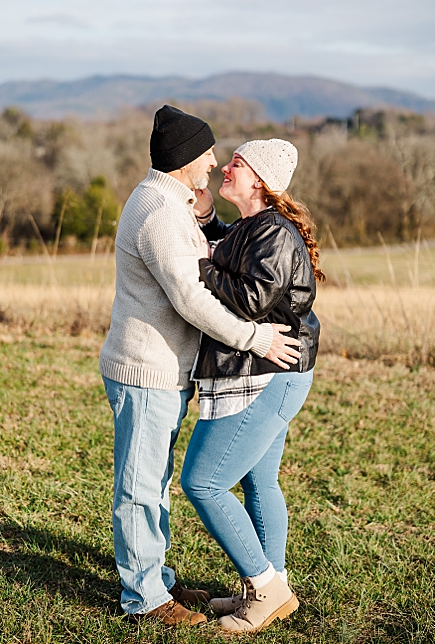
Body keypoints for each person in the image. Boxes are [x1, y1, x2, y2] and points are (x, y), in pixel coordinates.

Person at [98, 106, 302, 626]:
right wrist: (254, 337)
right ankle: (146, 599)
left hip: (168, 369)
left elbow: (219, 262)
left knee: (154, 480)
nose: (213, 162)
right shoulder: (160, 210)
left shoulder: (173, 203)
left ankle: (160, 579)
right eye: (208, 153)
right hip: (146, 368)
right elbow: (192, 294)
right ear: (185, 158)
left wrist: (207, 219)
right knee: (141, 486)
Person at [180, 139, 323, 633]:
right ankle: (271, 588)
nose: (225, 167)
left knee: (202, 482)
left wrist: (196, 266)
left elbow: (252, 297)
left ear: (259, 180)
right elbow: (237, 250)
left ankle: (265, 587)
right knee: (259, 482)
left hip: (269, 377)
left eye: (237, 163)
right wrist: (204, 222)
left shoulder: (276, 234)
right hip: (270, 373)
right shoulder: (257, 227)